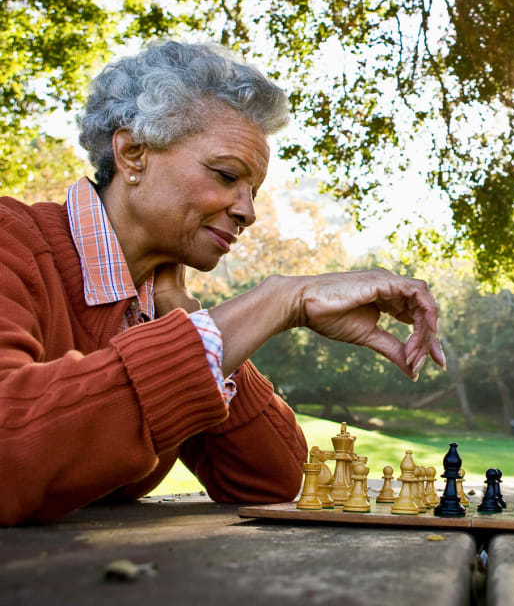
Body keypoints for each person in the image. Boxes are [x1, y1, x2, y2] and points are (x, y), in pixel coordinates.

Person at [0, 40, 444, 526]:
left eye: (252, 191)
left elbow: (271, 478)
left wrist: (184, 315)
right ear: (132, 153)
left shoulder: (157, 300)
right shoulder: (12, 244)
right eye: (227, 174)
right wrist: (278, 300)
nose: (248, 212)